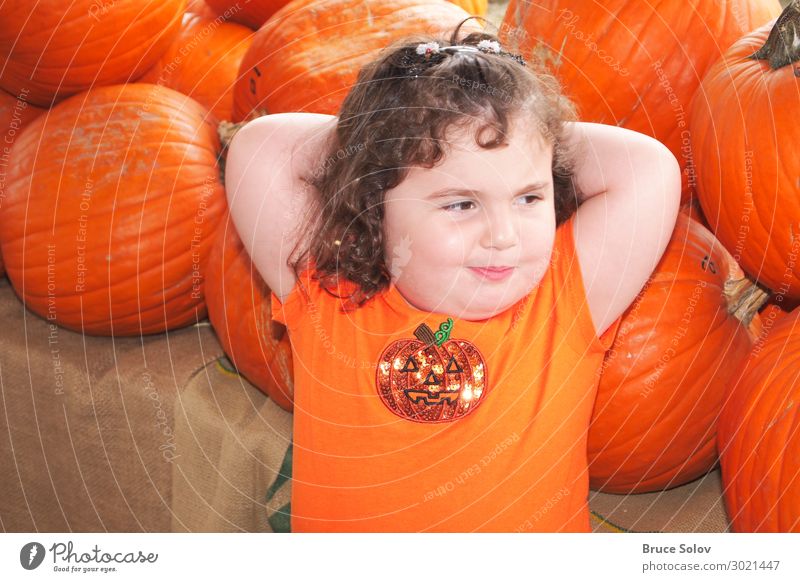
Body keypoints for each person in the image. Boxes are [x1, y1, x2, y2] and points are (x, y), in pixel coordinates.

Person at [224, 18, 680, 532]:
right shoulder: (329, 297)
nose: (503, 235)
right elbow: (257, 149)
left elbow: (649, 168)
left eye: (528, 196)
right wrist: (388, 131)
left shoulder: (565, 303)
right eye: (462, 203)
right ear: (377, 204)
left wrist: (516, 119)